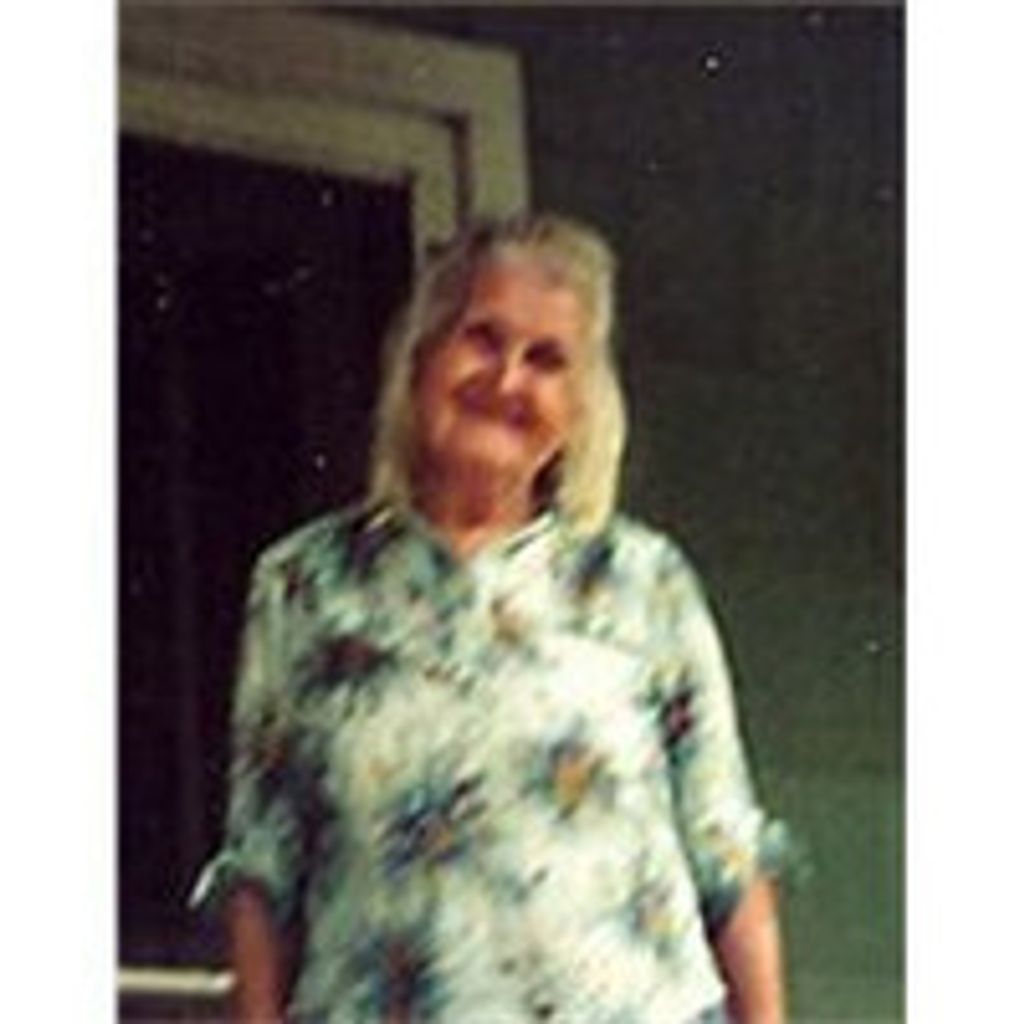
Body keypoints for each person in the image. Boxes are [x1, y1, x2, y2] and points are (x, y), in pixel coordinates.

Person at [193, 212, 788, 1023]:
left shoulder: (644, 581)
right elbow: (262, 869)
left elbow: (727, 855)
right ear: (421, 358)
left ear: (577, 408)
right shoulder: (304, 586)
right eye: (482, 338)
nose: (507, 380)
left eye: (546, 360)